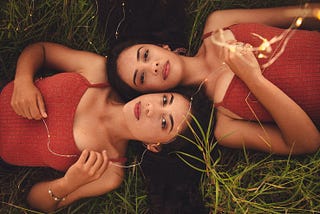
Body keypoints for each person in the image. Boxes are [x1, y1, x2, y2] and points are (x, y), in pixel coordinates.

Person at [0, 42, 213, 212]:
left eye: (164, 122)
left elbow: (35, 202)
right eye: (165, 100)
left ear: (154, 145)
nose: (151, 109)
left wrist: (68, 183)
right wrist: (23, 80)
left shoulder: (109, 172)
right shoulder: (97, 73)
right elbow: (42, 50)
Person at [106, 4, 320, 155]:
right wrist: (252, 78)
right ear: (148, 93)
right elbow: (305, 144)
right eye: (141, 77)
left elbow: (300, 13)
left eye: (145, 55)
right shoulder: (225, 125)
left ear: (162, 46)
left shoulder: (218, 23)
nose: (152, 66)